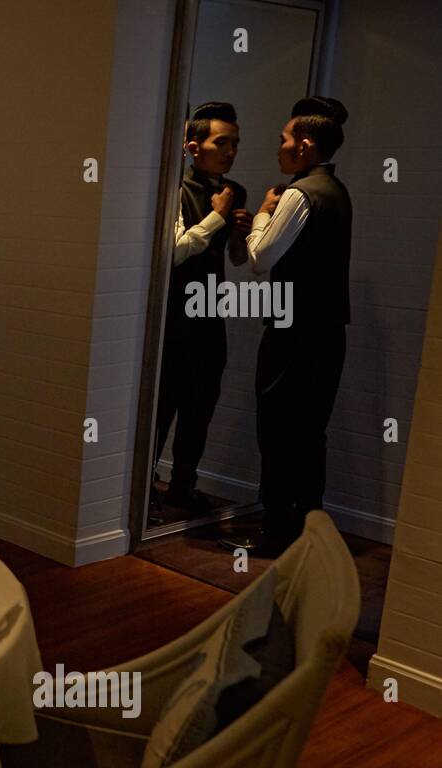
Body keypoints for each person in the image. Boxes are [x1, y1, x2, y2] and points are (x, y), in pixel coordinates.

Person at [242, 96, 352, 557]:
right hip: (328, 334)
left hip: (293, 335)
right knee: (310, 433)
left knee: (277, 428)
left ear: (305, 146)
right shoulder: (338, 191)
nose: (279, 148)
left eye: (284, 140)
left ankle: (274, 533)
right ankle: (310, 534)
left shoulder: (299, 193)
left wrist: (264, 213)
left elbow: (260, 259)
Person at [153, 102, 251, 517]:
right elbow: (172, 253)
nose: (230, 152)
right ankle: (140, 488)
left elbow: (236, 260)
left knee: (200, 407)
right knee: (162, 406)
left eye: (235, 144)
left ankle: (182, 487)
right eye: (221, 142)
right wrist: (216, 217)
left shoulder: (236, 191)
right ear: (194, 147)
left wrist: (241, 234)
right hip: (173, 317)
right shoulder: (174, 189)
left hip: (211, 313)